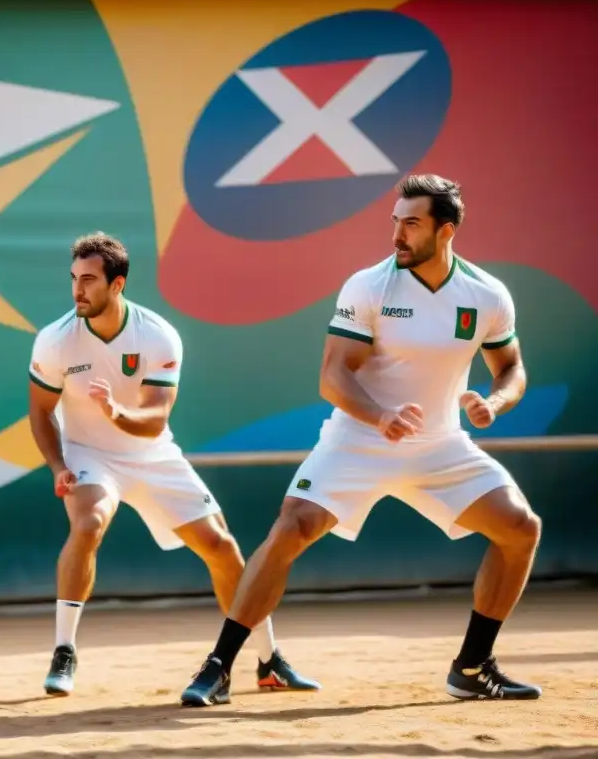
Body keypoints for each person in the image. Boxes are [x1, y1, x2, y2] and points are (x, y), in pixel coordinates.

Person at [180, 174, 544, 707]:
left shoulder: (487, 295)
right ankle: (220, 666)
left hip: (440, 444)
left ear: (445, 231)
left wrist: (496, 402)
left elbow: (510, 367)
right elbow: (333, 376)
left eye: (411, 223)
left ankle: (471, 666)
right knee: (291, 528)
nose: (397, 233)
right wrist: (380, 417)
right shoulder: (369, 285)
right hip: (358, 439)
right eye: (395, 221)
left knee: (520, 529)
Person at [27, 232, 319, 698]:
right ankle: (64, 651)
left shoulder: (157, 335)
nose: (77, 290)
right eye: (73, 279)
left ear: (117, 284)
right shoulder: (55, 341)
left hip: (152, 453)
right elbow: (41, 412)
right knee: (88, 523)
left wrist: (117, 412)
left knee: (221, 546)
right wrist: (59, 464)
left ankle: (269, 660)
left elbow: (157, 416)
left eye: (88, 280)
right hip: (89, 455)